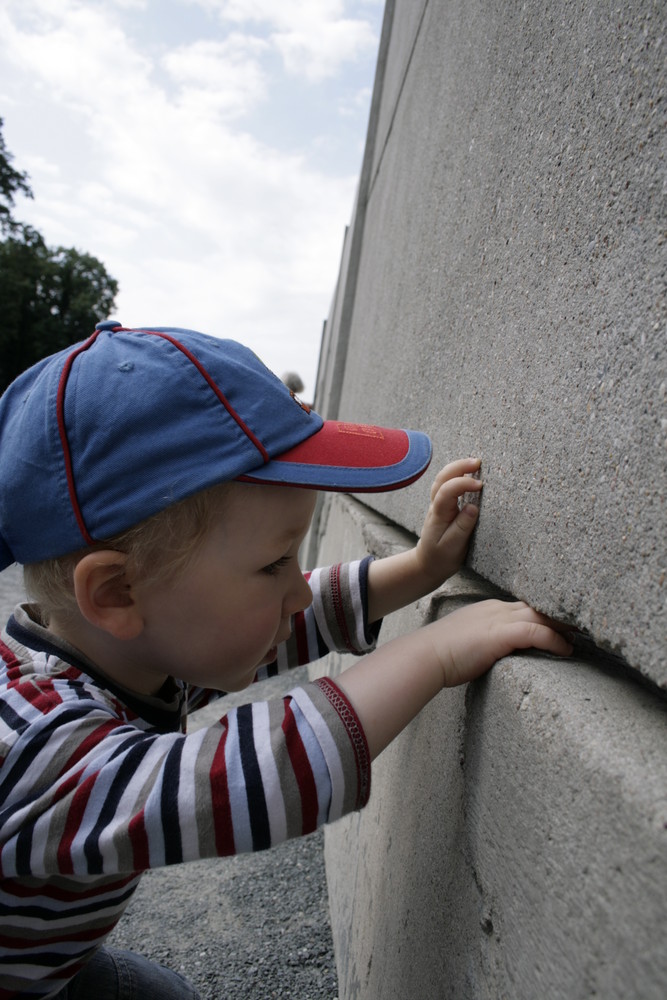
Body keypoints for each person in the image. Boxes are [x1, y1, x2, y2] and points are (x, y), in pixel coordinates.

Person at [0, 323, 572, 999]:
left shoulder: (119, 648)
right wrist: (435, 653)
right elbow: (247, 776)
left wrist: (420, 567)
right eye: (274, 563)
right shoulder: (41, 753)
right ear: (118, 592)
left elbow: (289, 623)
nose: (297, 587)